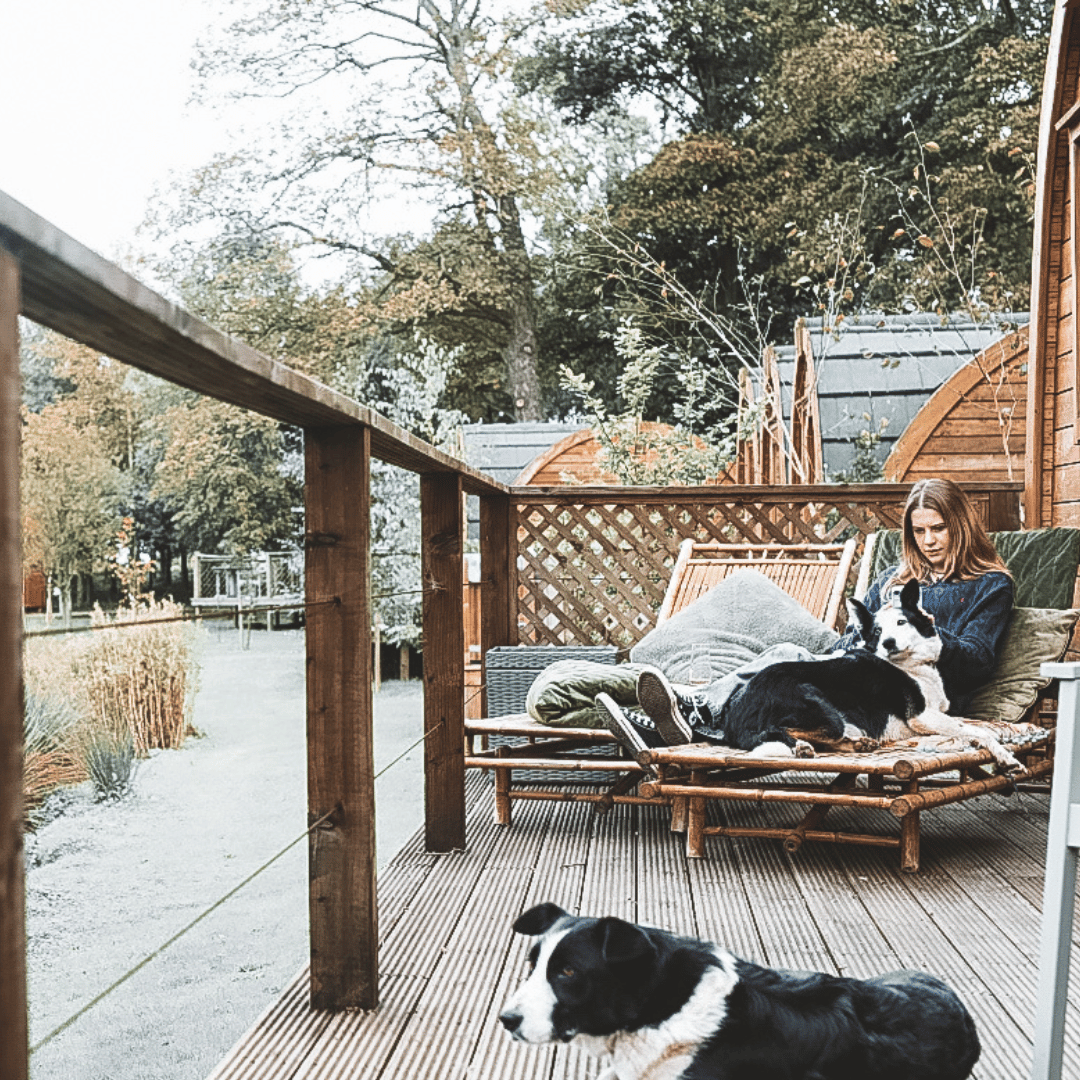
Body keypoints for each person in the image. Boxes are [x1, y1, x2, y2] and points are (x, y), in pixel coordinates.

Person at [597, 478, 1015, 755]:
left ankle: (694, 713)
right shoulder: (894, 577)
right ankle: (690, 706)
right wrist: (855, 645)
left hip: (909, 694)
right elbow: (852, 636)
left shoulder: (989, 585)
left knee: (782, 658)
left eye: (938, 529)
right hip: (855, 674)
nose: (928, 541)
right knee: (772, 629)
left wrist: (926, 631)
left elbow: (978, 662)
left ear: (959, 527)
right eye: (919, 532)